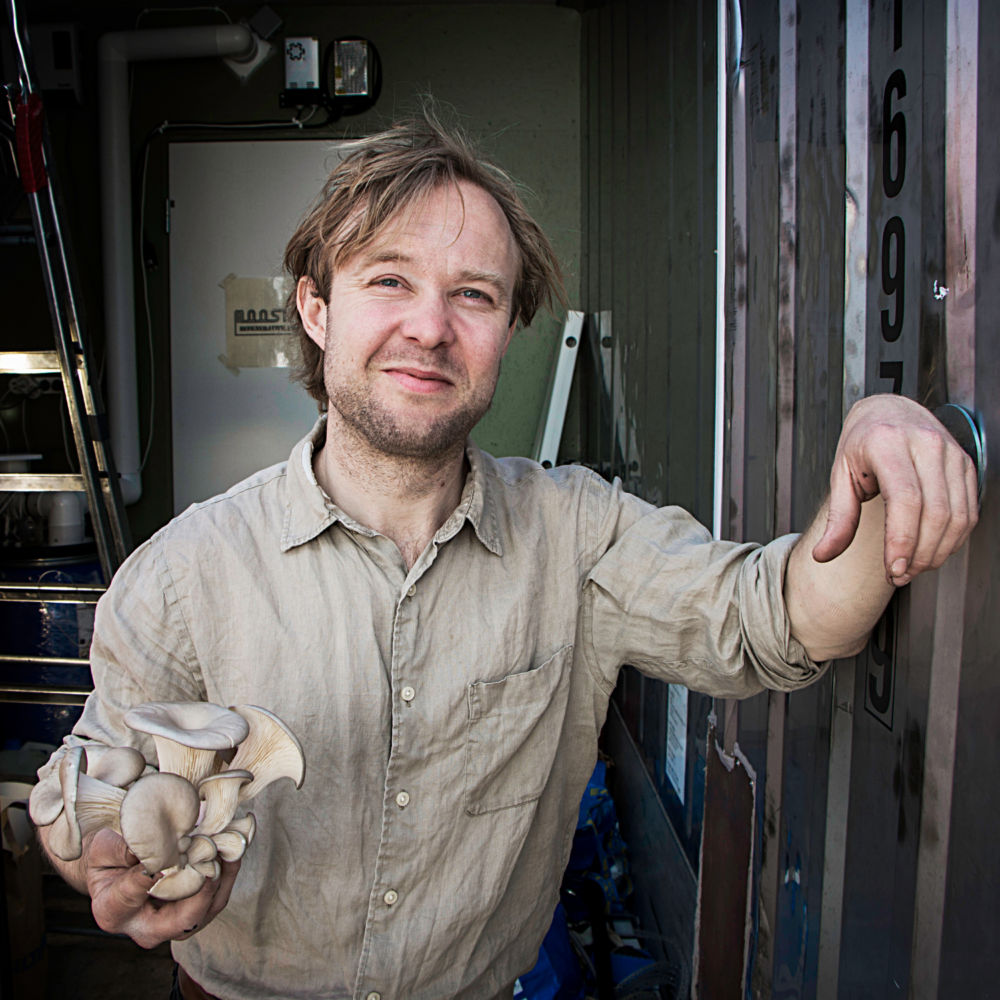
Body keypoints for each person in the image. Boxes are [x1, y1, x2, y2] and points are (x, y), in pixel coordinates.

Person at [34, 106, 977, 1000]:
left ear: (508, 332)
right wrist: (106, 862)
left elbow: (786, 619)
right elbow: (88, 792)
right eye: (389, 279)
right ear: (317, 310)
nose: (431, 327)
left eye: (473, 295)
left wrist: (883, 453)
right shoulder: (182, 570)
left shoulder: (580, 535)